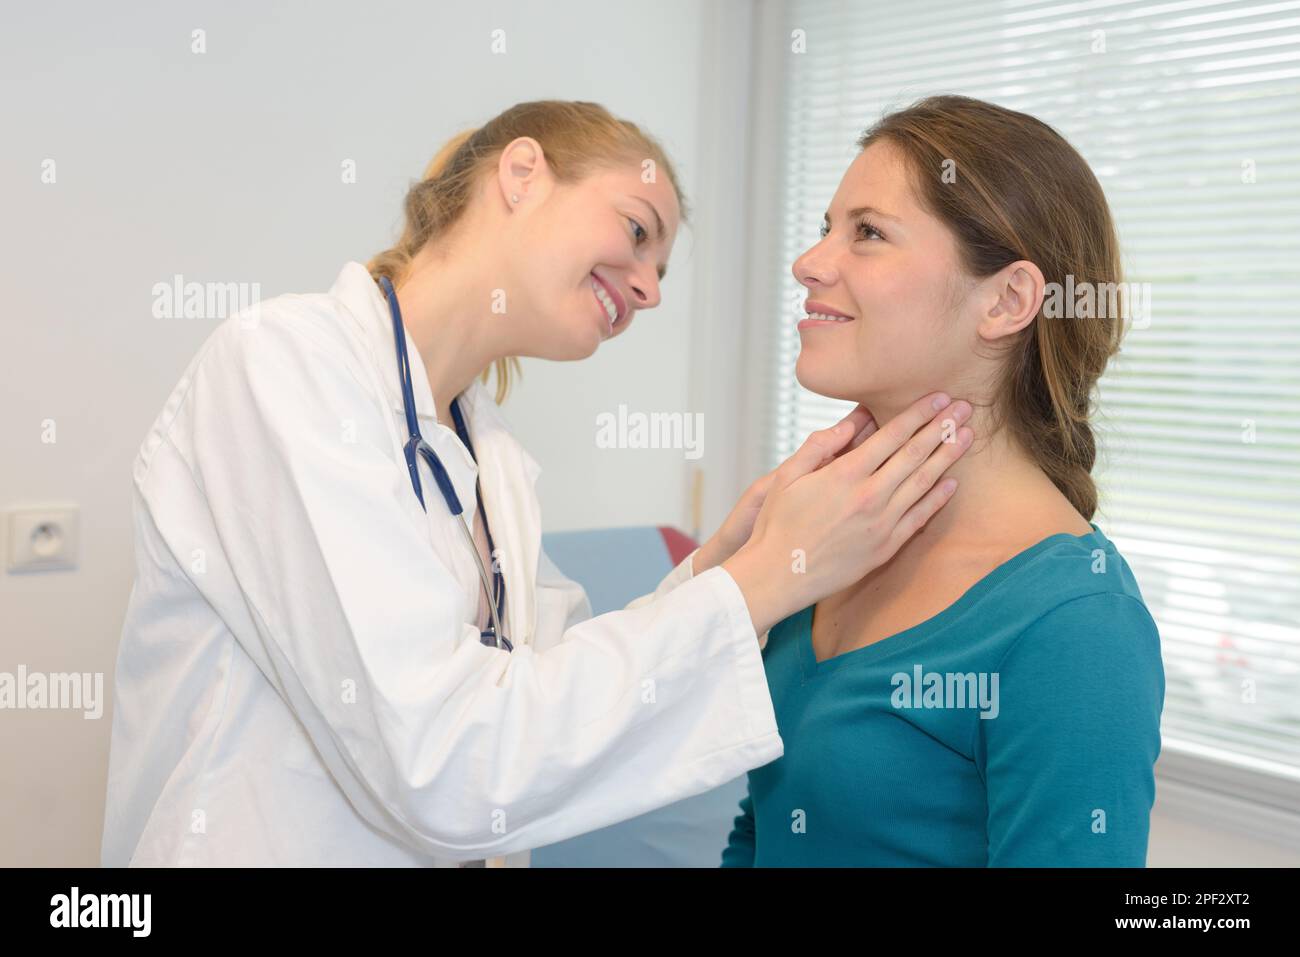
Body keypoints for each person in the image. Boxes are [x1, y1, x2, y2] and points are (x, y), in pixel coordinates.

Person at [101, 100, 971, 867]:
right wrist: (767, 578)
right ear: (521, 173)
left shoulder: (491, 461)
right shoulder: (284, 366)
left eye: (662, 270)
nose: (649, 288)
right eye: (637, 232)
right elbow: (437, 760)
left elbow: (544, 684)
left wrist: (720, 567)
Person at [722, 94, 1165, 867]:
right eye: (826, 227)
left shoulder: (1077, 625)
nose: (810, 262)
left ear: (1007, 300)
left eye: (867, 233)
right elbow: (761, 831)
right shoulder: (830, 540)